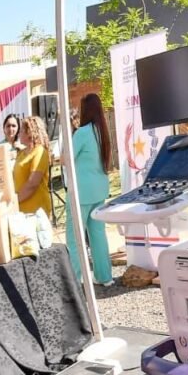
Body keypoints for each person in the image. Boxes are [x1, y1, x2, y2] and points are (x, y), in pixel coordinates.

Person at [65, 93, 113, 286]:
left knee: (74, 238)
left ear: (85, 110)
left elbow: (66, 157)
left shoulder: (82, 132)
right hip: (99, 190)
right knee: (98, 235)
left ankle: (76, 280)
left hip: (81, 192)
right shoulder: (103, 132)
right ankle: (105, 277)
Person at [13, 116, 51, 217]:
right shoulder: (21, 154)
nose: (18, 133)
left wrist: (14, 202)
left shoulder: (39, 151)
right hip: (21, 211)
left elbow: (32, 184)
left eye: (21, 130)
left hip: (37, 212)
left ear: (29, 133)